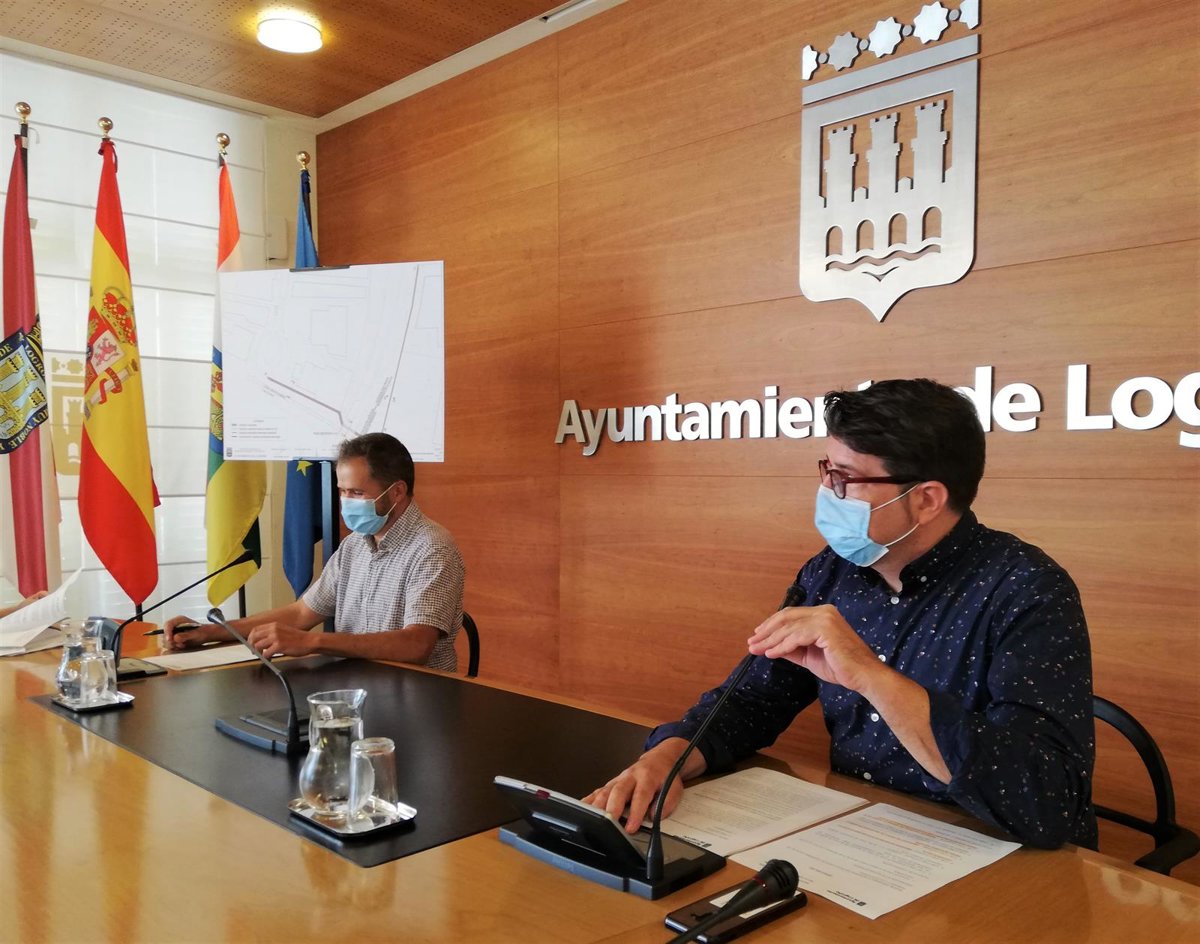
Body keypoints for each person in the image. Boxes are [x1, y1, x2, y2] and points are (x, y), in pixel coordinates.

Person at [586, 379, 1096, 849]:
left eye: (845, 479)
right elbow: (754, 699)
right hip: (861, 839)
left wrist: (872, 676)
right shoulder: (832, 571)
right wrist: (669, 756)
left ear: (926, 499)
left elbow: (1046, 800)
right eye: (826, 471)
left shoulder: (1027, 590)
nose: (829, 493)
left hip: (993, 856)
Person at [163, 433, 465, 671]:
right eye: (342, 491)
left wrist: (313, 641)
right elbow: (301, 613)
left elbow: (416, 645)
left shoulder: (432, 548)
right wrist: (211, 632)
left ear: (397, 491)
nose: (346, 501)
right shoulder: (354, 545)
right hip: (356, 686)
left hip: (417, 695)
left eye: (357, 492)